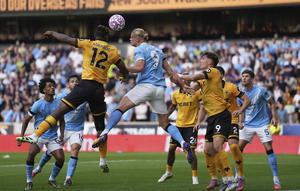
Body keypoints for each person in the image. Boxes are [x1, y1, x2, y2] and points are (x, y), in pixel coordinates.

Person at [16, 25, 129, 150]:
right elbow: (123, 68)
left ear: (95, 36)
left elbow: (67, 39)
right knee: (100, 127)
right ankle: (102, 160)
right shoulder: (113, 50)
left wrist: (53, 33)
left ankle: (35, 135)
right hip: (98, 89)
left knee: (59, 111)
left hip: (85, 85)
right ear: (107, 37)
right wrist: (124, 76)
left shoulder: (89, 43)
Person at [93, 28, 195, 163]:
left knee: (120, 108)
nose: (129, 39)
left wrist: (123, 68)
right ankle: (183, 143)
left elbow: (139, 67)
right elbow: (172, 74)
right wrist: (182, 85)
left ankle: (105, 133)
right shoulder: (158, 51)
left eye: (131, 37)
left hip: (146, 86)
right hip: (159, 90)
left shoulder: (140, 49)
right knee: (164, 123)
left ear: (138, 38)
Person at [31, 75, 104, 187]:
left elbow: (95, 106)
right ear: (68, 84)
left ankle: (68, 178)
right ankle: (39, 168)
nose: (74, 83)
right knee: (51, 151)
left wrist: (102, 114)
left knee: (75, 149)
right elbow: (52, 105)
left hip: (77, 129)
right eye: (72, 81)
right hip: (64, 128)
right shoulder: (62, 96)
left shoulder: (85, 95)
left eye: (76, 81)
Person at [180, 52, 236, 191]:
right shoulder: (204, 80)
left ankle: (231, 179)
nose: (201, 60)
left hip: (221, 114)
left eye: (203, 58)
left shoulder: (213, 71)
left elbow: (193, 76)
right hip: (212, 117)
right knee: (208, 150)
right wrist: (181, 84)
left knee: (217, 147)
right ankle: (222, 179)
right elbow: (191, 91)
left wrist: (179, 75)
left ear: (210, 62)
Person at [202, 66, 250, 191]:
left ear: (221, 75)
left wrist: (240, 112)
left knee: (234, 146)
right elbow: (203, 105)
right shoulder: (209, 89)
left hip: (231, 120)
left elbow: (246, 100)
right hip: (217, 120)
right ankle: (226, 179)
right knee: (214, 149)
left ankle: (240, 177)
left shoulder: (231, 87)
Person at [17, 78, 65, 190]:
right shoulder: (38, 104)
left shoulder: (59, 103)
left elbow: (62, 120)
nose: (52, 87)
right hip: (39, 135)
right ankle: (29, 181)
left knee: (61, 159)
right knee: (31, 154)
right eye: (49, 86)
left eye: (53, 85)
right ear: (44, 90)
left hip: (52, 136)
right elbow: (26, 119)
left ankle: (51, 179)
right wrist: (22, 136)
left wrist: (61, 134)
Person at [239, 69, 281, 190]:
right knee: (238, 149)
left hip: (262, 124)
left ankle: (276, 178)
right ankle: (239, 177)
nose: (244, 78)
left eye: (246, 76)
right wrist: (241, 122)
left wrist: (274, 117)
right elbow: (241, 109)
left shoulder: (260, 91)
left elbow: (272, 103)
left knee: (268, 148)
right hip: (247, 125)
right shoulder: (240, 93)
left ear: (252, 78)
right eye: (242, 76)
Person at [157, 82, 202, 185]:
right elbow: (173, 107)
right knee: (171, 149)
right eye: (183, 80)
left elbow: (202, 107)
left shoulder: (196, 93)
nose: (186, 82)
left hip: (191, 126)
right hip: (178, 126)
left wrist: (199, 121)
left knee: (191, 151)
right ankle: (168, 172)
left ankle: (194, 177)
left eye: (187, 80)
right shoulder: (175, 94)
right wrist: (165, 117)